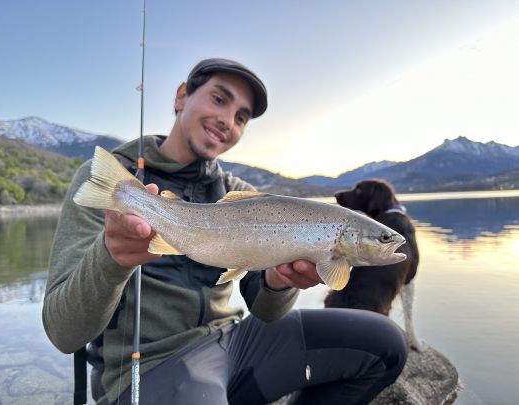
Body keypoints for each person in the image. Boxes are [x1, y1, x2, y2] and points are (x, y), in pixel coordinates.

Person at [43, 58, 408, 405]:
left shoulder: (242, 194)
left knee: (385, 344)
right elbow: (64, 333)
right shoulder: (119, 184)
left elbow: (266, 312)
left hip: (237, 342)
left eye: (241, 117)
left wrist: (279, 283)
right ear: (182, 96)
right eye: (219, 99)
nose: (227, 120)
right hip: (152, 366)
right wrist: (112, 259)